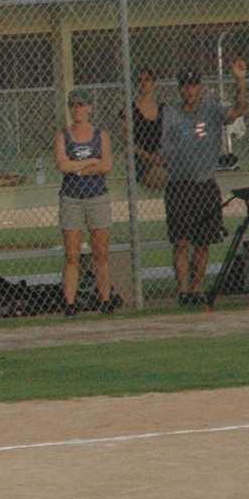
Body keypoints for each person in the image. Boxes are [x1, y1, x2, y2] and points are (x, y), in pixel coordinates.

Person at [161, 61, 248, 305]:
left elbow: (240, 110)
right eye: (184, 86)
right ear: (180, 89)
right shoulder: (172, 113)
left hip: (205, 184)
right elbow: (166, 147)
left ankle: (197, 290)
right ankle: (183, 292)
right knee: (181, 241)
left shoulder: (211, 111)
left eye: (193, 85)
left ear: (200, 87)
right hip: (180, 185)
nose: (188, 90)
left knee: (202, 242)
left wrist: (240, 80)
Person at [54, 90, 117, 316]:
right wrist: (90, 161)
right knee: (72, 254)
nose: (77, 109)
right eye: (73, 106)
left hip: (97, 197)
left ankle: (105, 298)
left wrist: (77, 165)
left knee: (101, 252)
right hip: (72, 198)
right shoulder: (63, 135)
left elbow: (107, 165)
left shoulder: (101, 135)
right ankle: (70, 303)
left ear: (90, 107)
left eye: (81, 105)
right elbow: (62, 165)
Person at [129, 68, 166, 190]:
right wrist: (150, 158)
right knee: (159, 176)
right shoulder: (130, 110)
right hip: (141, 159)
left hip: (162, 156)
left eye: (147, 79)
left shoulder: (164, 109)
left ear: (153, 82)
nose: (143, 83)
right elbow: (127, 142)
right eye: (140, 80)